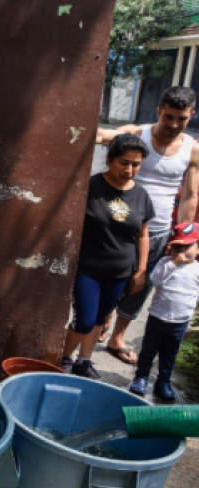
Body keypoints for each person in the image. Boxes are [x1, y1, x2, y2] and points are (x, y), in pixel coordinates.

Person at [95, 86, 199, 364]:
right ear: (159, 112)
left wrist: (183, 238)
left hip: (160, 232)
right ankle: (102, 320)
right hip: (121, 226)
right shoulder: (137, 134)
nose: (174, 125)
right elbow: (103, 136)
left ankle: (117, 337)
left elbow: (190, 195)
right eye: (169, 117)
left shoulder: (192, 149)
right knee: (110, 279)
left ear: (191, 115)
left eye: (182, 118)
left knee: (141, 286)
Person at [61, 134, 154, 378]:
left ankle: (84, 360)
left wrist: (141, 270)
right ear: (110, 159)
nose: (130, 169)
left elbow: (143, 235)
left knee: (101, 318)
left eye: (136, 164)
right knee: (85, 319)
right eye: (124, 162)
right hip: (88, 268)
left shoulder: (141, 195)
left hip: (119, 271)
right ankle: (65, 356)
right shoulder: (91, 186)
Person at [129, 222, 199, 401]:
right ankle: (141, 377)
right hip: (158, 318)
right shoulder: (165, 263)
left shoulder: (197, 269)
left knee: (169, 354)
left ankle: (163, 382)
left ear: (197, 248)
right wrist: (173, 263)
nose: (180, 251)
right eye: (177, 246)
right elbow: (155, 279)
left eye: (186, 246)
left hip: (179, 322)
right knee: (148, 351)